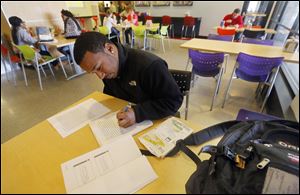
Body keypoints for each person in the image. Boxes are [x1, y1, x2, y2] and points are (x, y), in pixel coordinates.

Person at [73, 32, 183, 128]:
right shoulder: (108, 70)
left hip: (155, 120)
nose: (100, 76)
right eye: (93, 72)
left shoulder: (150, 66)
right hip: (127, 120)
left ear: (110, 49)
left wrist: (137, 113)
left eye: (98, 68)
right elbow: (111, 92)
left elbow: (174, 100)